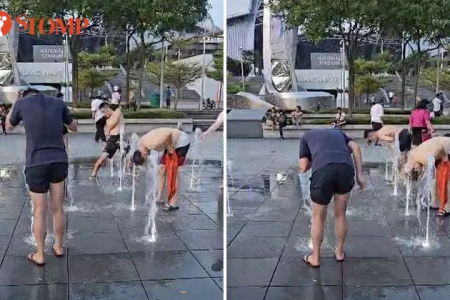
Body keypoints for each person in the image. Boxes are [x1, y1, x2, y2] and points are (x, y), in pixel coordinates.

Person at [5, 88, 77, 266]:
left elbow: (8, 127)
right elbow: (74, 127)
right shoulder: (58, 103)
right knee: (58, 207)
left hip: (36, 162)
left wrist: (15, 103)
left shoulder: (22, 104)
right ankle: (59, 247)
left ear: (24, 95)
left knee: (39, 210)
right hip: (59, 160)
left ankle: (40, 254)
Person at [299, 129, 364, 267]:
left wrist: (314, 158)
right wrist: (359, 176)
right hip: (345, 169)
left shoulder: (306, 136)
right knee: (340, 214)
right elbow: (356, 148)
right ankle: (339, 253)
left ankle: (315, 258)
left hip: (323, 172)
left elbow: (303, 166)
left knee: (318, 217)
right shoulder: (340, 134)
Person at [131, 128, 190, 211]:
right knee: (162, 169)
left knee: (173, 172)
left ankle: (173, 203)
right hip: (171, 143)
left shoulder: (151, 144)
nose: (148, 156)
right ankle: (160, 197)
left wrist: (170, 148)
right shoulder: (141, 145)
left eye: (146, 158)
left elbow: (167, 135)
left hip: (181, 142)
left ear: (144, 154)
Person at [404, 137, 450, 217]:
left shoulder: (421, 159)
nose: (420, 172)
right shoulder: (413, 157)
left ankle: (448, 206)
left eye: (417, 171)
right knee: (435, 177)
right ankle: (435, 202)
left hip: (446, 146)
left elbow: (425, 176)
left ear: (414, 167)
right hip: (442, 147)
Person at [90, 102, 123, 178]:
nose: (103, 114)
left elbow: (115, 121)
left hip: (120, 137)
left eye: (103, 112)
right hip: (113, 139)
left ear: (107, 108)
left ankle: (131, 172)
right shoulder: (107, 119)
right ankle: (94, 173)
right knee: (103, 157)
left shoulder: (117, 111)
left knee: (128, 156)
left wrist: (108, 129)